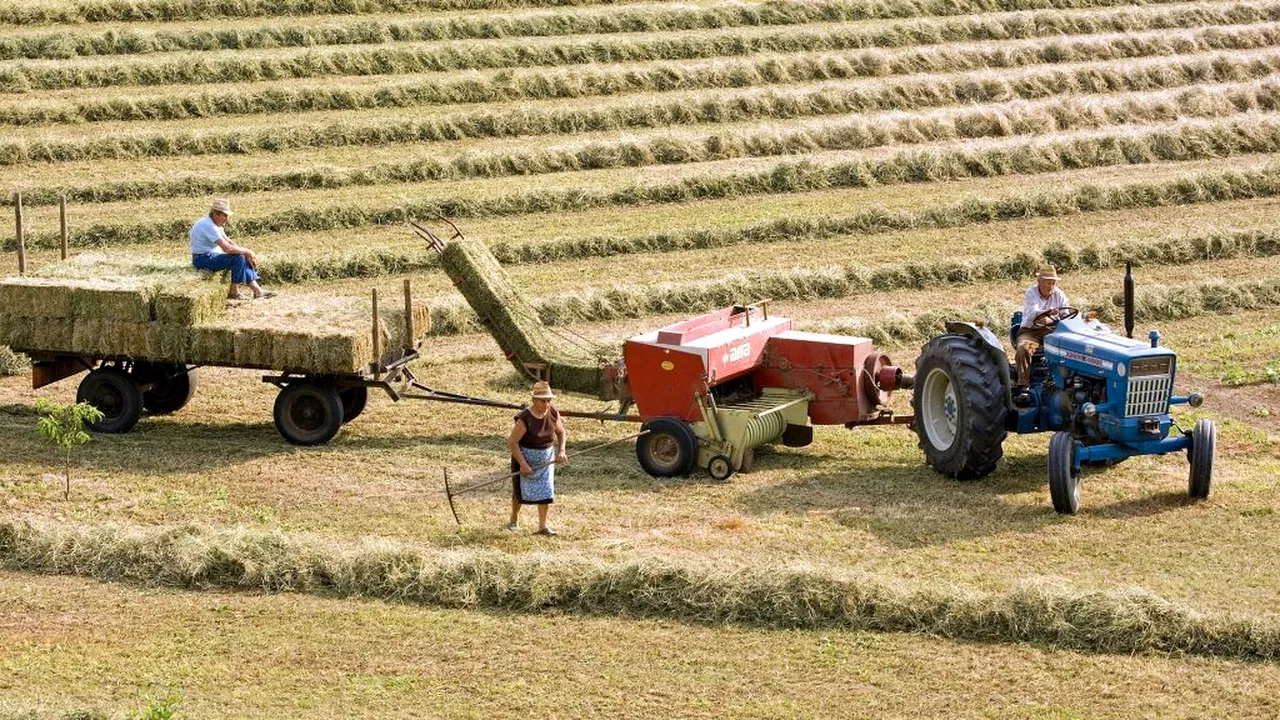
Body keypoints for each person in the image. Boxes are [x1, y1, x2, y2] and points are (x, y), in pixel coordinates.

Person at [507, 381, 568, 535]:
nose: (546, 404)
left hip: (546, 458)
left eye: (549, 400)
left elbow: (561, 432)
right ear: (534, 400)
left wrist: (561, 451)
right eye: (543, 400)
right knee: (519, 492)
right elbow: (513, 442)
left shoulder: (553, 413)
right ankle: (514, 518)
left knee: (546, 493)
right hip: (525, 458)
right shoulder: (524, 418)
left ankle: (542, 527)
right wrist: (523, 464)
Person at [189, 198, 276, 300]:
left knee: (242, 255)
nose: (227, 218)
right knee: (238, 257)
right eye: (225, 215)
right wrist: (248, 251)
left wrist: (246, 253)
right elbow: (227, 248)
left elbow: (229, 242)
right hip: (203, 259)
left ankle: (258, 291)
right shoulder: (209, 226)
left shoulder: (216, 225)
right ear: (216, 214)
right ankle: (233, 291)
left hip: (211, 256)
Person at [1014, 265, 1069, 395]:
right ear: (1039, 281)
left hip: (1052, 331)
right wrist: (1047, 312)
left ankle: (1064, 381)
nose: (1050, 286)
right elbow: (1033, 313)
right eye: (1048, 282)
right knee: (1023, 349)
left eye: (1053, 283)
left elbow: (1066, 313)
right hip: (1031, 331)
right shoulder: (1031, 293)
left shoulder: (1059, 294)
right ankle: (1023, 386)